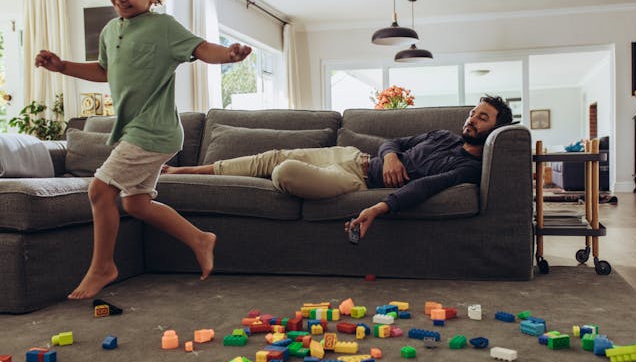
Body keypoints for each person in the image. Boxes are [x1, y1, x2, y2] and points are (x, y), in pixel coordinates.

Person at [34, 0, 251, 300]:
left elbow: (201, 48)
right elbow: (104, 71)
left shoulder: (163, 28)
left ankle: (103, 266)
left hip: (154, 130)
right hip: (139, 131)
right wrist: (62, 67)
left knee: (99, 191)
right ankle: (199, 238)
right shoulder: (110, 31)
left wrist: (229, 55)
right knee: (134, 204)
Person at [164, 95, 513, 238]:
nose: (472, 120)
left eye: (482, 118)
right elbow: (394, 143)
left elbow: (423, 187)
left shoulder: (468, 167)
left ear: (494, 128)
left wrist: (378, 206)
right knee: (271, 156)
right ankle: (184, 172)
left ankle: (273, 176)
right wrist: (390, 156)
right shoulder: (441, 134)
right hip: (350, 156)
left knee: (283, 170)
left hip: (353, 180)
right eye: (472, 113)